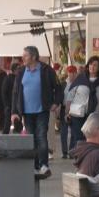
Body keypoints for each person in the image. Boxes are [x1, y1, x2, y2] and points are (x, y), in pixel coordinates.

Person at [11, 46, 61, 178]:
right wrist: (14, 112)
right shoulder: (21, 71)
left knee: (41, 137)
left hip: (42, 110)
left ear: (33, 57)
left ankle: (44, 165)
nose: (23, 58)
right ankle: (34, 166)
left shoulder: (46, 70)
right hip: (26, 113)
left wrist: (56, 103)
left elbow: (58, 88)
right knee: (31, 139)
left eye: (25, 55)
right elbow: (15, 93)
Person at [59, 66, 80, 158]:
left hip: (74, 109)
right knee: (63, 131)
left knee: (74, 131)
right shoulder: (63, 84)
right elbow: (59, 96)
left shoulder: (78, 84)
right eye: (70, 73)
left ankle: (71, 151)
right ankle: (64, 152)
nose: (71, 75)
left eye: (73, 73)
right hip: (64, 109)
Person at [1, 62, 19, 134]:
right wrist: (6, 104)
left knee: (17, 120)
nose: (19, 70)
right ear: (14, 70)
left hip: (17, 104)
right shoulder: (8, 78)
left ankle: (17, 132)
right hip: (9, 103)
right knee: (8, 121)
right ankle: (5, 135)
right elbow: (4, 92)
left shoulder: (18, 78)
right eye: (18, 69)